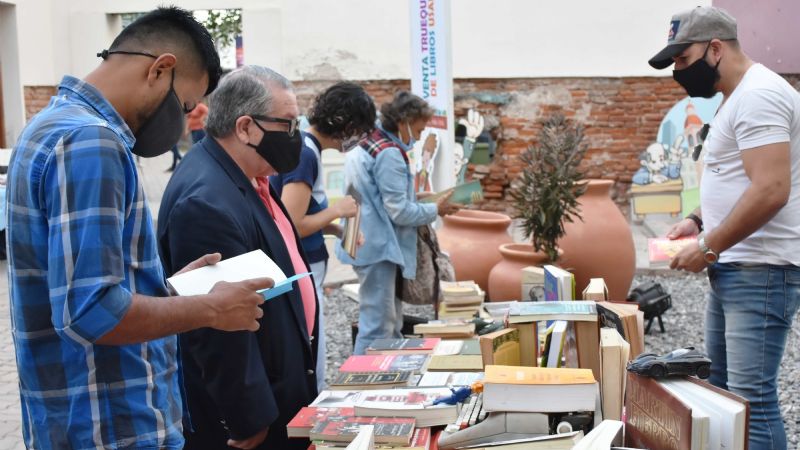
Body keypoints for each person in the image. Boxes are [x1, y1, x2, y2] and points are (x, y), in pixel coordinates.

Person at [5, 8, 271, 449]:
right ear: (160, 69)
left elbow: (81, 284)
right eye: (186, 105)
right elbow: (89, 311)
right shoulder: (91, 141)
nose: (185, 121)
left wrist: (167, 288)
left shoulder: (47, 127)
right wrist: (210, 309)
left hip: (77, 422)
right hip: (112, 427)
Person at [652, 6, 800, 449]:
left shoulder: (759, 95)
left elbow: (772, 188)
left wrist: (708, 245)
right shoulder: (737, 97)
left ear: (715, 48)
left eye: (682, 59)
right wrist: (697, 220)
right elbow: (739, 178)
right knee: (728, 397)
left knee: (752, 404)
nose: (679, 71)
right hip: (737, 266)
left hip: (760, 269)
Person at [158, 65, 318, 450]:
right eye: (288, 125)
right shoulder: (207, 201)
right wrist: (248, 417)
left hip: (281, 384)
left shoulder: (249, 175)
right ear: (246, 127)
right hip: (255, 417)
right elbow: (215, 327)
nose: (296, 137)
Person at [335, 91, 460, 355]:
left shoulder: (369, 141)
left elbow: (379, 196)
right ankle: (363, 384)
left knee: (385, 321)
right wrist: (435, 208)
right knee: (378, 326)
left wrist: (420, 199)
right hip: (378, 245)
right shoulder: (389, 153)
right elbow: (399, 212)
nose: (418, 137)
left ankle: (381, 380)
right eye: (418, 129)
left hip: (363, 239)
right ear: (404, 122)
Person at [270, 81, 375, 390]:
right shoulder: (306, 154)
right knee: (312, 350)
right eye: (360, 130)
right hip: (302, 266)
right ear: (346, 124)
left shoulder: (305, 148)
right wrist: (338, 211)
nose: (358, 139)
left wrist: (336, 229)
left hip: (307, 263)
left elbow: (300, 216)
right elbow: (291, 223)